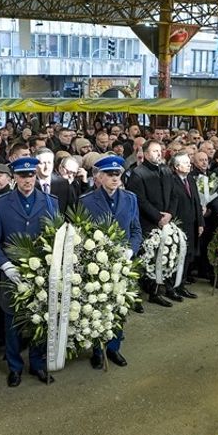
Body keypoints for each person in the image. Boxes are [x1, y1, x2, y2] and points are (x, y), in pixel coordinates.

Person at [0, 156, 60, 386]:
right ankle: (14, 367)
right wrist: (5, 265)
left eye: (31, 175)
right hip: (12, 274)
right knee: (13, 323)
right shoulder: (2, 203)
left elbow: (57, 236)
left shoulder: (50, 202)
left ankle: (37, 364)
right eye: (22, 176)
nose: (27, 180)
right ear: (14, 178)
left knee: (40, 319)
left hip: (41, 274)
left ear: (36, 176)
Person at [78, 155, 142, 368]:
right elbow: (82, 234)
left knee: (119, 307)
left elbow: (136, 230)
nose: (115, 178)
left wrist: (130, 252)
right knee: (97, 306)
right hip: (97, 263)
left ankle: (114, 348)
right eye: (110, 175)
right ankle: (98, 349)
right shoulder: (86, 201)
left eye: (118, 174)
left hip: (122, 264)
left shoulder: (130, 198)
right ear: (99, 176)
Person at [126, 140, 177, 307]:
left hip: (165, 220)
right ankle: (137, 296)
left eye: (160, 150)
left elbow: (174, 195)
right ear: (146, 153)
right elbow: (140, 200)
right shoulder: (138, 173)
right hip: (147, 222)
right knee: (145, 260)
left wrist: (169, 214)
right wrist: (158, 217)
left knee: (161, 258)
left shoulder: (166, 170)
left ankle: (156, 291)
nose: (159, 154)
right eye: (154, 151)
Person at [167, 153, 202, 299]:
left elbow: (197, 203)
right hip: (179, 225)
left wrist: (200, 222)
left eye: (189, 162)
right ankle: (171, 288)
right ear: (176, 167)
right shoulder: (171, 181)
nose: (189, 165)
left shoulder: (190, 180)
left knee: (187, 257)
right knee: (175, 257)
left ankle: (181, 285)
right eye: (185, 163)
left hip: (192, 225)